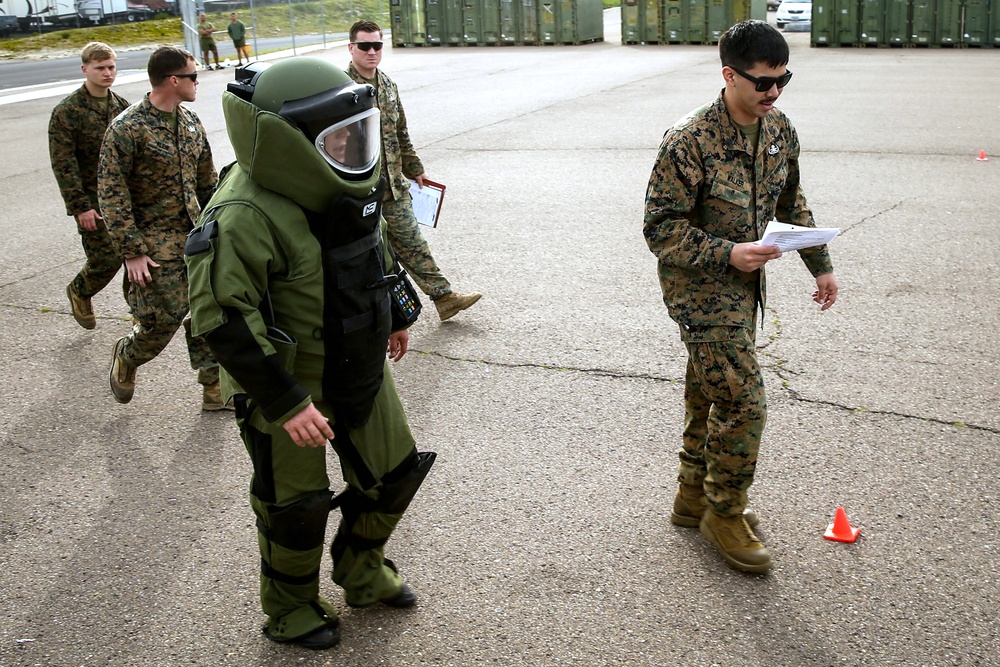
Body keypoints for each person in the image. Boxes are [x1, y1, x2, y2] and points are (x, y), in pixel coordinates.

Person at [185, 57, 436, 650]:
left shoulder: (343, 179)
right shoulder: (244, 211)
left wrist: (394, 317)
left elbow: (368, 250)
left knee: (393, 474)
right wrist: (286, 401)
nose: (352, 146)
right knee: (294, 505)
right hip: (287, 382)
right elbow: (221, 319)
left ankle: (361, 569)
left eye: (357, 131)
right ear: (283, 141)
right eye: (336, 137)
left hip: (359, 359)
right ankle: (291, 606)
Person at [642, 20, 838, 574]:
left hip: (747, 285)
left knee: (710, 387)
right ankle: (724, 511)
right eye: (762, 83)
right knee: (743, 399)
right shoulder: (690, 140)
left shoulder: (778, 131)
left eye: (783, 80)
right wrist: (727, 253)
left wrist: (819, 266)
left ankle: (691, 497)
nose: (773, 93)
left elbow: (792, 201)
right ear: (729, 75)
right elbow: (659, 229)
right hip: (699, 289)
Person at [98, 46, 226, 411]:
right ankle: (128, 352)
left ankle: (214, 387)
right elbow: (112, 194)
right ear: (173, 80)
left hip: (195, 236)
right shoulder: (127, 128)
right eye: (192, 76)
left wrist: (221, 225)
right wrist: (132, 252)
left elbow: (207, 183)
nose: (198, 82)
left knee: (210, 309)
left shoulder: (190, 122)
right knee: (162, 320)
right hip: (152, 243)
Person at [346, 19, 481, 322]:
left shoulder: (389, 86)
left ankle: (444, 298)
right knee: (365, 257)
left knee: (412, 243)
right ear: (351, 47)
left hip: (393, 187)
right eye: (364, 46)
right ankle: (370, 317)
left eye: (377, 45)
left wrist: (414, 168)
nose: (371, 51)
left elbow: (401, 132)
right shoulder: (341, 87)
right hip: (357, 190)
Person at [48, 42, 131, 330]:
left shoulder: (122, 107)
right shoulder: (68, 112)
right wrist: (79, 207)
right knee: (106, 260)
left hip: (124, 199)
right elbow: (63, 163)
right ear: (85, 69)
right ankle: (80, 290)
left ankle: (141, 314)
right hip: (92, 200)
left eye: (111, 67)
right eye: (100, 68)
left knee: (137, 255)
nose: (107, 73)